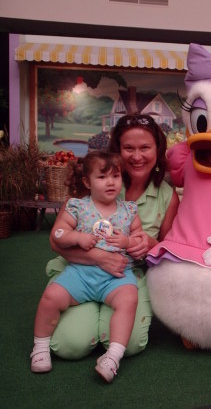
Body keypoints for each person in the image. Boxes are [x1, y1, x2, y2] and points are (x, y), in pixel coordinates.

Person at [46, 114, 180, 360]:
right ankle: (88, 322)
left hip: (127, 278)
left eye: (145, 148)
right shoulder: (98, 180)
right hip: (81, 271)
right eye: (128, 148)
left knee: (128, 345)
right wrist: (98, 258)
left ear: (158, 150)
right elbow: (56, 239)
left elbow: (169, 248)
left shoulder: (167, 196)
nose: (137, 156)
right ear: (117, 150)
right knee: (69, 346)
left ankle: (102, 326)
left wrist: (153, 245)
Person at [31, 151, 143, 382]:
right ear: (87, 182)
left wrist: (128, 241)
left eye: (116, 176)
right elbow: (59, 234)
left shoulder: (129, 210)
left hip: (116, 277)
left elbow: (140, 239)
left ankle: (113, 356)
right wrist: (76, 238)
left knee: (129, 299)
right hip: (81, 274)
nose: (110, 182)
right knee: (51, 296)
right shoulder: (77, 207)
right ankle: (40, 348)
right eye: (102, 177)